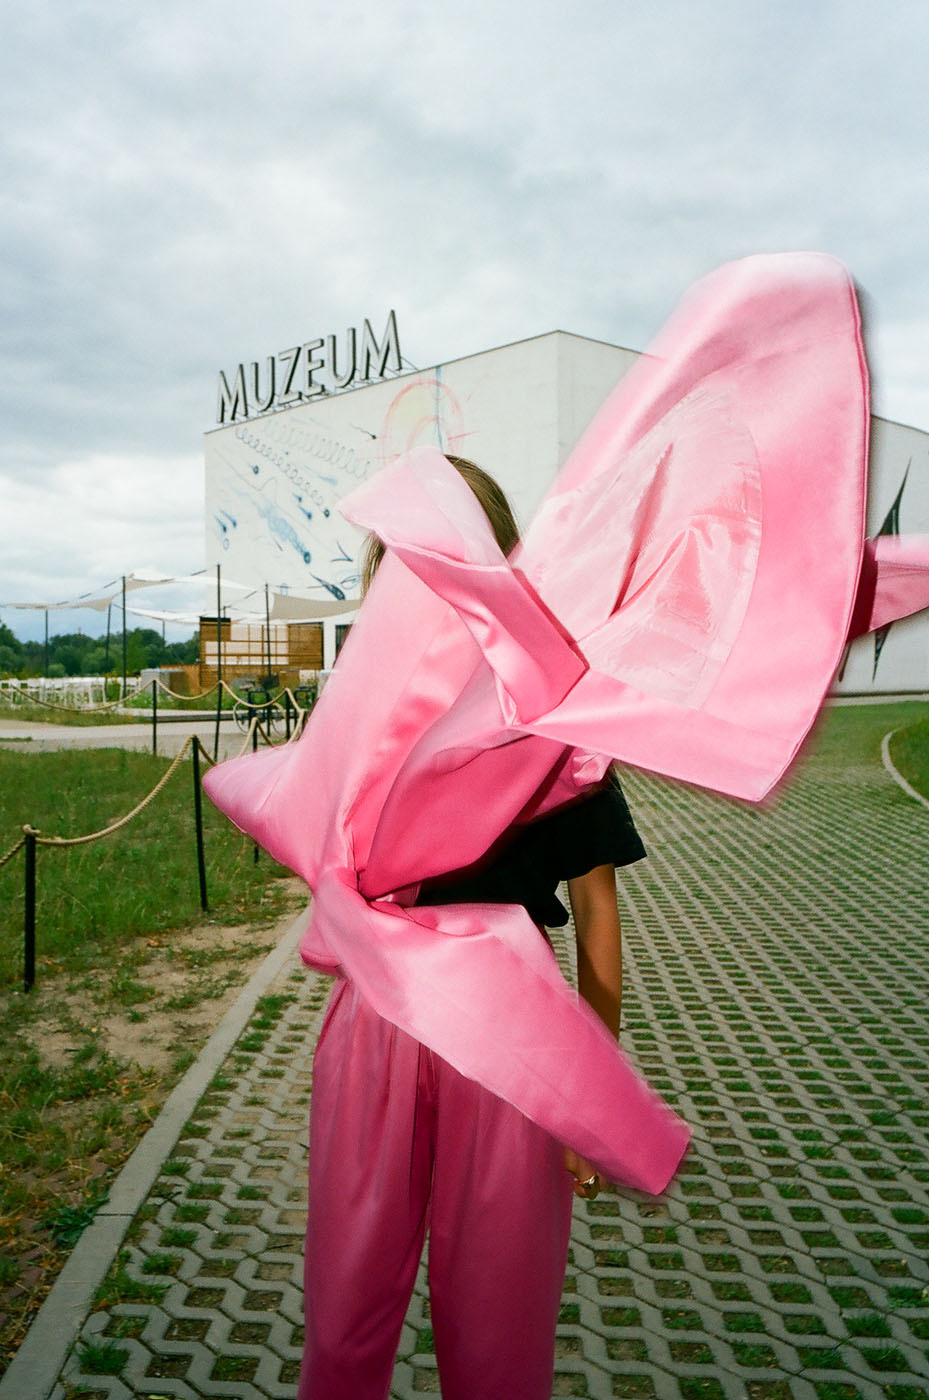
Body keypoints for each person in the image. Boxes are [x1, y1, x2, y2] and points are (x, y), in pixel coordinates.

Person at [298, 457, 647, 1400]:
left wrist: (589, 1093)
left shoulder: (556, 714)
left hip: (512, 1030)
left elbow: (598, 908)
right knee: (345, 1303)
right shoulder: (358, 715)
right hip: (378, 1011)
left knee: (499, 1320)